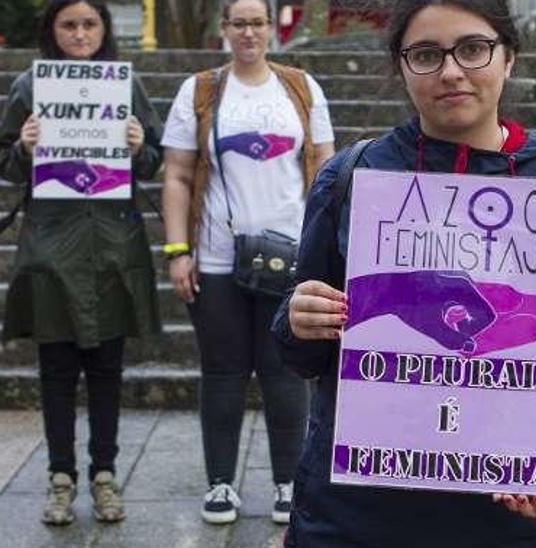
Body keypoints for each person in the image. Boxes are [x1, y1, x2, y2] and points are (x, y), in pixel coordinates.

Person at [272, 1, 536, 545]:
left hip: (503, 514)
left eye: (473, 48)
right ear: (401, 66)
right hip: (354, 514)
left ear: (508, 58)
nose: (450, 71)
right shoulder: (350, 177)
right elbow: (305, 353)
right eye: (426, 54)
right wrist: (298, 319)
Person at [0, 0, 164, 526]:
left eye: (90, 23)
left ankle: (104, 474)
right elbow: (0, 161)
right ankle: (60, 477)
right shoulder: (29, 87)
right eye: (69, 24)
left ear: (105, 30)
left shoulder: (125, 86)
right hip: (51, 246)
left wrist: (137, 146)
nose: (81, 33)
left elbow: (155, 157)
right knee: (57, 370)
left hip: (112, 247)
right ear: (52, 30)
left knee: (108, 369)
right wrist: (23, 145)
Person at [160, 0, 335, 526]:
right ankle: (220, 484)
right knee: (222, 371)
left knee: (285, 373)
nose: (249, 32)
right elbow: (177, 175)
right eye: (239, 23)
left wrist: (324, 253)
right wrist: (176, 250)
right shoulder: (202, 90)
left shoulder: (301, 89)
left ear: (270, 29)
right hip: (216, 257)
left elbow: (327, 169)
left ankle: (288, 482)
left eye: (258, 23)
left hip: (292, 257)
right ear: (225, 29)